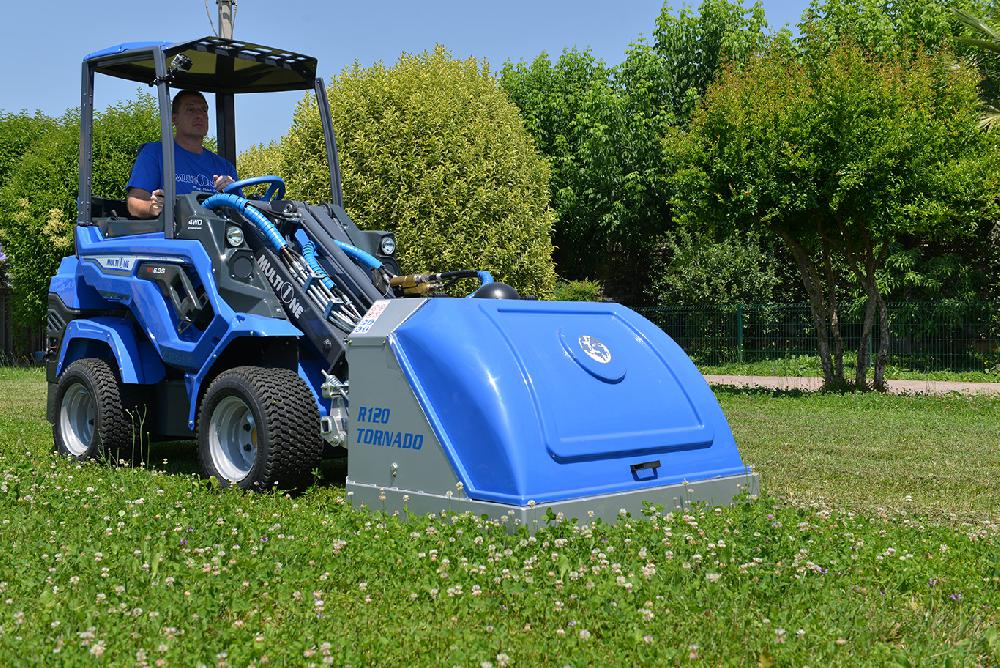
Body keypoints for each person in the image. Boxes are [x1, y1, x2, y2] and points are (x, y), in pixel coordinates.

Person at [126, 89, 238, 218]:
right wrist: (153, 207)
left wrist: (230, 193)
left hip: (218, 234)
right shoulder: (155, 153)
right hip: (176, 235)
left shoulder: (224, 167)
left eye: (203, 110)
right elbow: (135, 203)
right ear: (174, 119)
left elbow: (245, 214)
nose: (199, 115)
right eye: (191, 110)